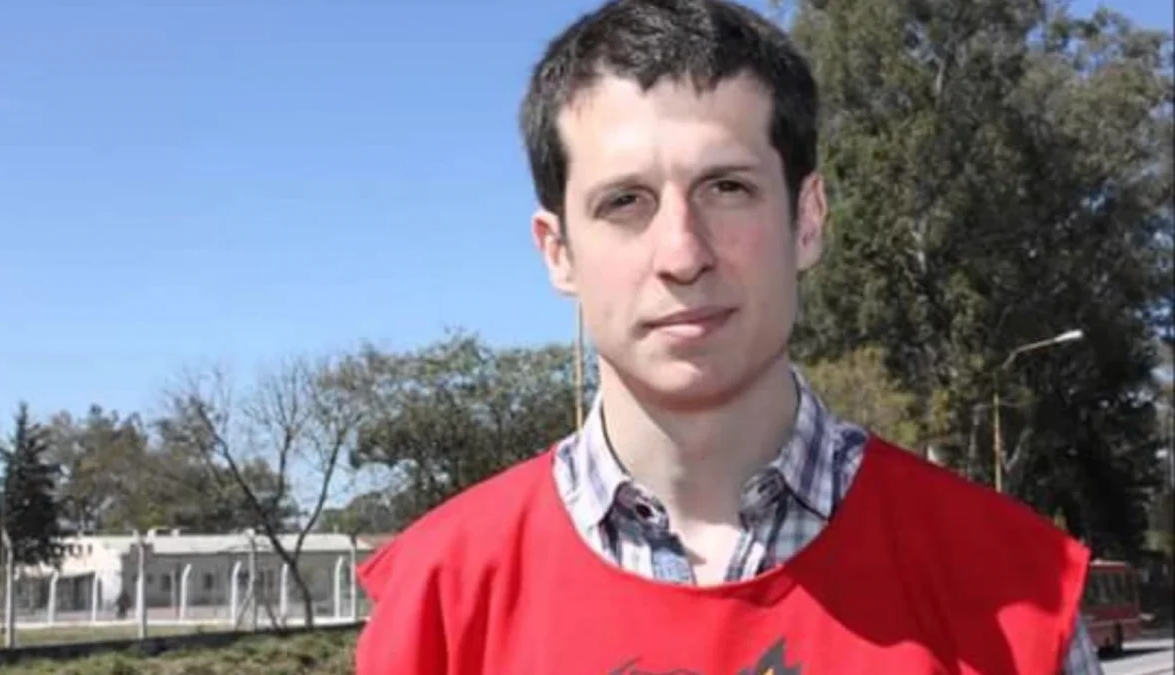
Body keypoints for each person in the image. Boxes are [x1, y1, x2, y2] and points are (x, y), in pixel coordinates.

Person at [355, 0, 1103, 672]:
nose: (682, 254)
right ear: (558, 253)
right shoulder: (437, 607)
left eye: (727, 188)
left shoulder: (1016, 594)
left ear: (807, 219)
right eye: (625, 201)